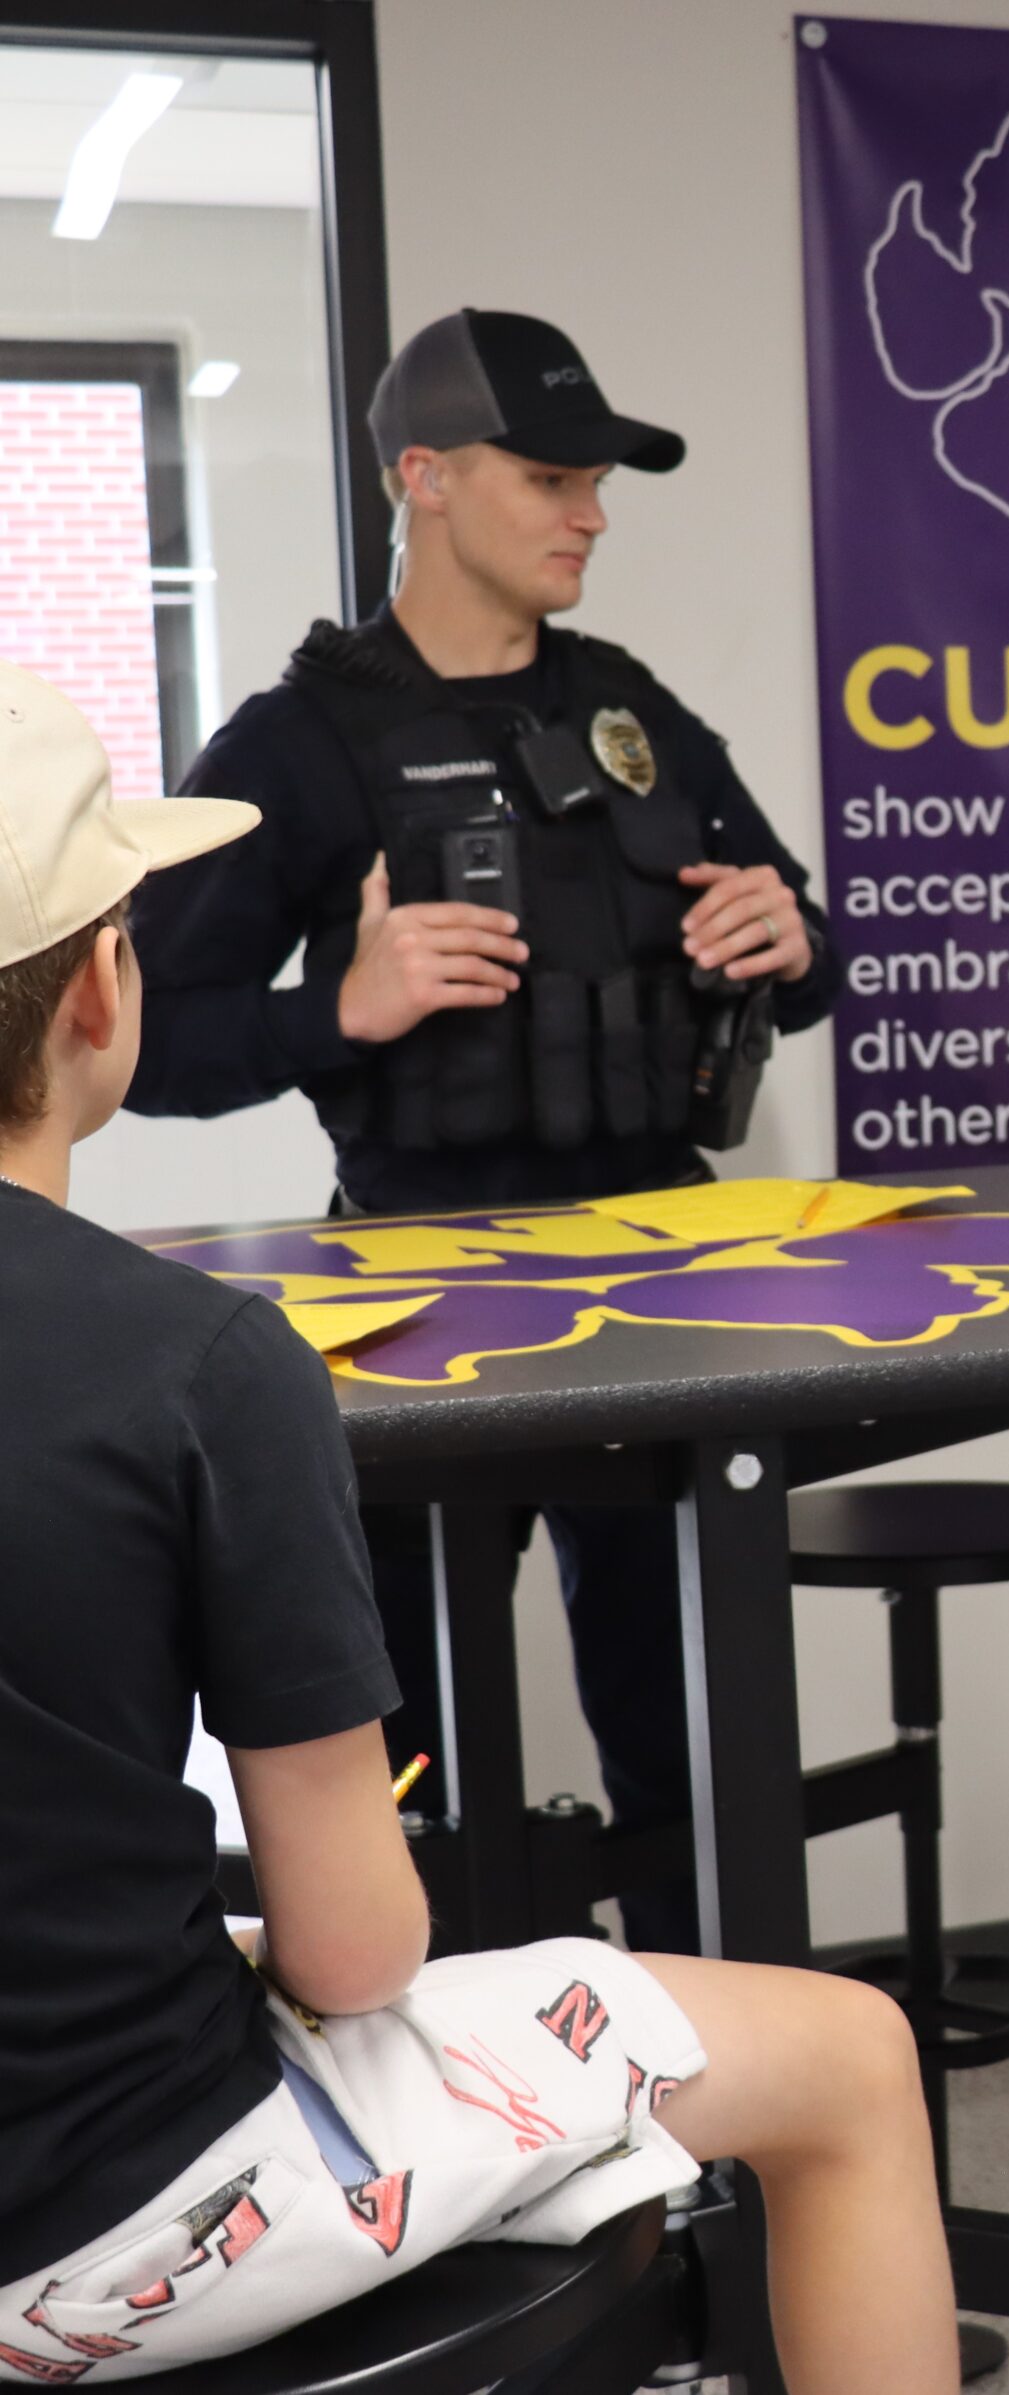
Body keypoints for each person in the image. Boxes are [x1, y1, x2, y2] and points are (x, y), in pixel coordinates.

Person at [0, 664, 951, 2391]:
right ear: (99, 994)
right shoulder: (203, 1366)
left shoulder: (633, 705)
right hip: (113, 2218)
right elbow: (358, 1957)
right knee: (851, 2055)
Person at [127, 310, 841, 1950]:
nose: (588, 511)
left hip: (667, 1274)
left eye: (597, 481)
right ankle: (429, 2103)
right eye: (551, 477)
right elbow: (138, 1042)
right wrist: (342, 1010)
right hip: (424, 1298)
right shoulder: (304, 741)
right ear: (425, 479)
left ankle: (716, 2096)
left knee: (689, 1725)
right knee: (399, 1748)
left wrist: (787, 938)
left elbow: (808, 954)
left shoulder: (627, 707)